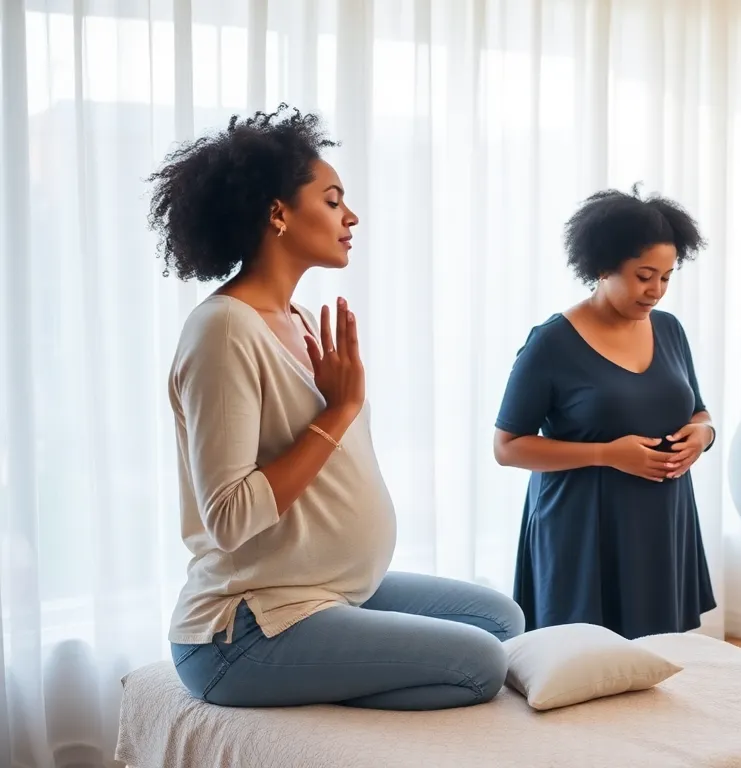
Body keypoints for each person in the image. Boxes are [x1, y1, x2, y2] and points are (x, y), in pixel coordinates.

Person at [149, 105, 523, 711]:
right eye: (331, 200)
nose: (350, 217)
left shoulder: (295, 320)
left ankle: (347, 668)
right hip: (245, 627)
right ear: (277, 213)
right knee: (480, 663)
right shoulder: (222, 329)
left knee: (500, 619)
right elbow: (229, 516)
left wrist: (338, 406)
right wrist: (339, 409)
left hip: (327, 592)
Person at [493, 186, 718, 640]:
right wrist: (607, 455)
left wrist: (705, 435)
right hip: (581, 528)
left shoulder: (669, 329)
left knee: (654, 667)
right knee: (581, 664)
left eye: (667, 277)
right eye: (643, 275)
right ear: (601, 267)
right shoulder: (551, 343)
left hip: (660, 522)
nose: (655, 290)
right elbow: (507, 447)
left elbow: (696, 411)